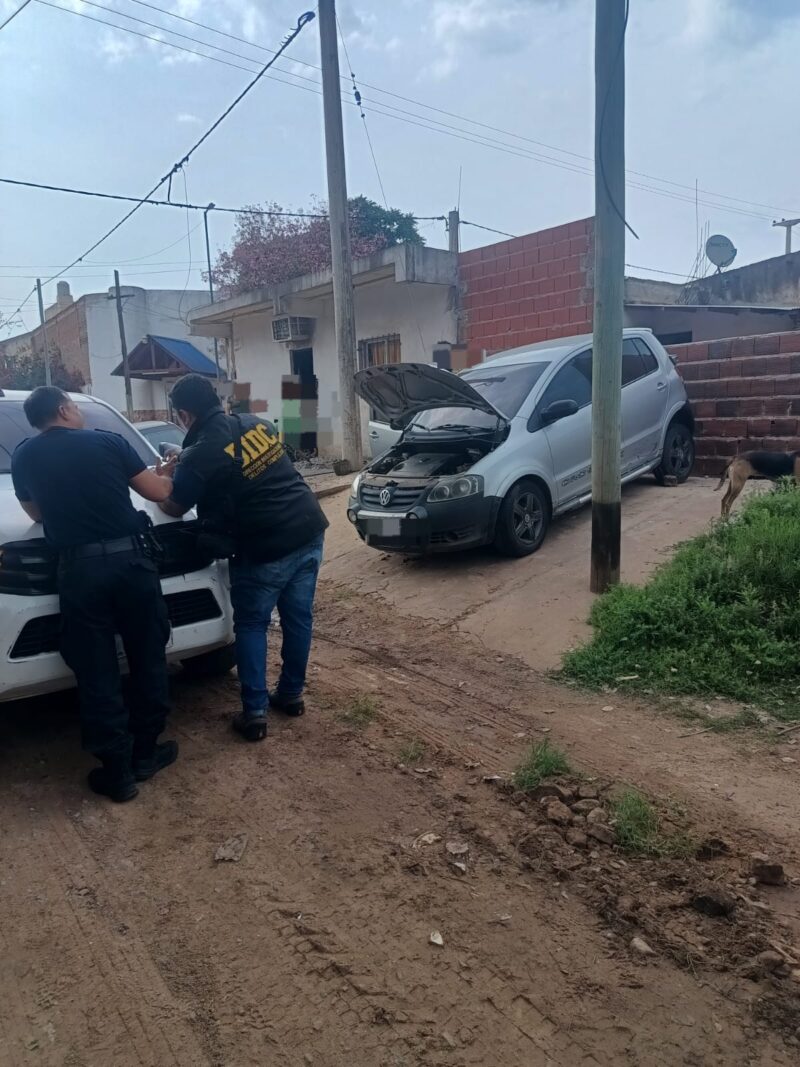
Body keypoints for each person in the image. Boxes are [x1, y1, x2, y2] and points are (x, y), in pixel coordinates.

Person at [11, 386, 178, 802]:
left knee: (96, 669)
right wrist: (167, 473)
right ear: (66, 409)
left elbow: (36, 513)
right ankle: (146, 753)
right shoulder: (109, 440)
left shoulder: (23, 456)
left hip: (78, 572)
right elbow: (158, 494)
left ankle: (117, 773)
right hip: (131, 565)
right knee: (147, 656)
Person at [160, 374, 328, 742]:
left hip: (264, 547)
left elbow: (174, 506)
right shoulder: (256, 423)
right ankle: (291, 696)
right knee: (298, 617)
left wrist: (163, 480)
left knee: (252, 624)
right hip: (308, 527)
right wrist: (184, 460)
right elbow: (245, 466)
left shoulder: (199, 453)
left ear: (184, 415)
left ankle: (255, 715)